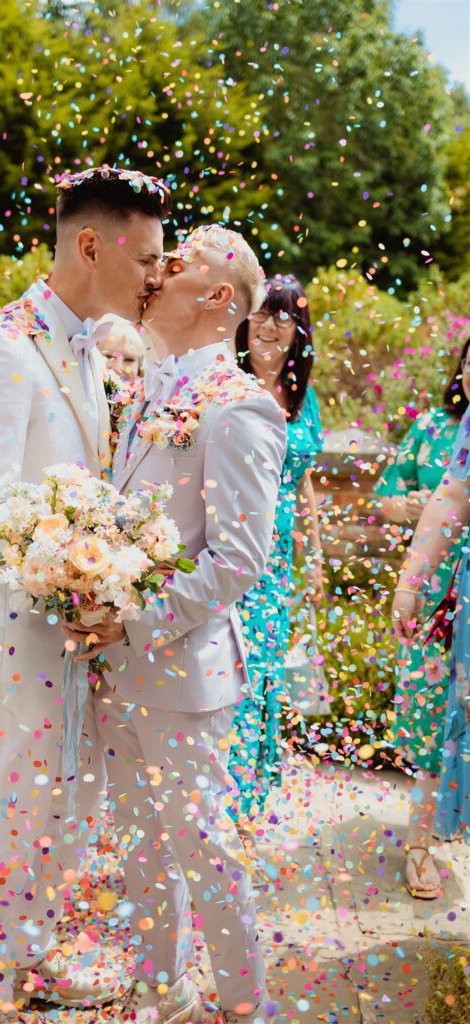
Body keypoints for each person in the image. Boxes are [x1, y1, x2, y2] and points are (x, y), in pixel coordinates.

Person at [0, 166, 171, 1022]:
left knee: (67, 804)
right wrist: (72, 584)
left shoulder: (81, 348)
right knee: (14, 802)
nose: (156, 275)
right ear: (90, 245)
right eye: (146, 256)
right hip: (20, 633)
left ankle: (30, 953)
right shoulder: (4, 348)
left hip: (76, 634)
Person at [66, 225, 286, 1024]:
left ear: (219, 295)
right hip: (118, 663)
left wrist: (137, 623)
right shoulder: (149, 393)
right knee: (141, 847)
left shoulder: (238, 410)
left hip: (183, 670)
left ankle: (244, 1005)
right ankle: (165, 993)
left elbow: (238, 559)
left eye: (181, 261)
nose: (159, 270)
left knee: (203, 847)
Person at [228, 275, 324, 828]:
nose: (268, 325)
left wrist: (313, 558)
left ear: (298, 332)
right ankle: (222, 795)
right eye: (261, 314)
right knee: (232, 671)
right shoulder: (230, 386)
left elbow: (304, 480)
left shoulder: (302, 397)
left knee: (262, 674)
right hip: (231, 549)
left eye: (282, 318)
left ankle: (247, 799)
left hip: (278, 561)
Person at [376, 338, 470, 898]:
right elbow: (449, 497)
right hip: (448, 602)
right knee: (441, 722)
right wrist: (411, 584)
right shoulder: (446, 427)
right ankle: (421, 845)